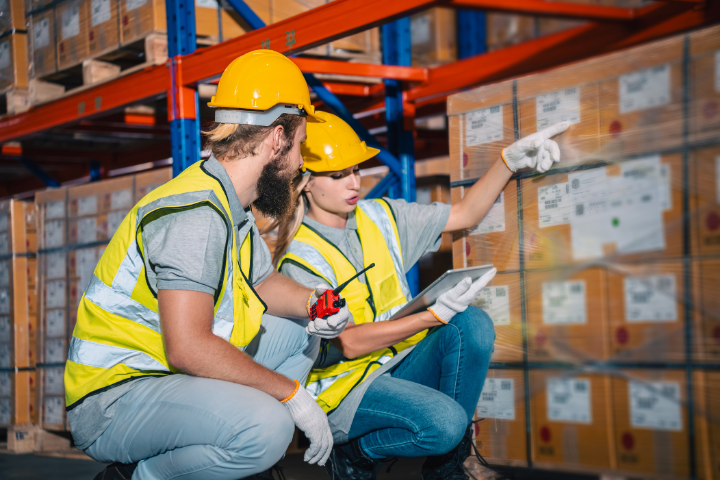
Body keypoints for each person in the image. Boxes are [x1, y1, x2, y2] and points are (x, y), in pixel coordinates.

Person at [64, 50, 352, 480]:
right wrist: (291, 395)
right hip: (114, 396)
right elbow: (187, 346)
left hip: (159, 376)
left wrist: (316, 303)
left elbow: (264, 283)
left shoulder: (228, 203)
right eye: (299, 144)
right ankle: (142, 476)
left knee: (299, 331)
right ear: (277, 138)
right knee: (267, 425)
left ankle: (236, 450)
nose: (300, 162)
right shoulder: (195, 214)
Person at [270, 111, 569, 479]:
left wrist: (507, 161)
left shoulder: (381, 217)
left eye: (357, 170)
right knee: (445, 423)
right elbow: (346, 343)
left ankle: (447, 467)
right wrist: (432, 317)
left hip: (400, 363)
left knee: (472, 322)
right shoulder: (301, 258)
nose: (354, 182)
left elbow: (463, 214)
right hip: (347, 390)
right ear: (307, 183)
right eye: (338, 175)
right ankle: (354, 453)